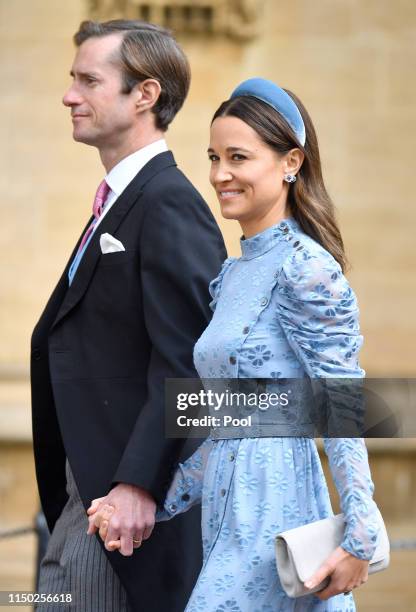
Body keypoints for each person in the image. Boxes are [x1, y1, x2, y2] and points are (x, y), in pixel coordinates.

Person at [90, 78, 381, 611]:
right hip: (227, 514)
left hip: (278, 509)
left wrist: (362, 537)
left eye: (238, 157)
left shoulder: (306, 269)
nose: (220, 174)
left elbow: (342, 403)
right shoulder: (233, 273)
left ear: (291, 162)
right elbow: (237, 423)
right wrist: (155, 500)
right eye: (213, 156)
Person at [30, 19, 226, 612]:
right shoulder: (119, 201)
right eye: (73, 80)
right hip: (83, 498)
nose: (70, 95)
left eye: (89, 80)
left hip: (121, 514)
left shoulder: (167, 201)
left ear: (145, 95)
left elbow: (190, 361)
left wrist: (138, 481)